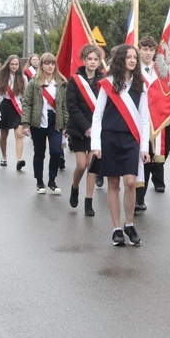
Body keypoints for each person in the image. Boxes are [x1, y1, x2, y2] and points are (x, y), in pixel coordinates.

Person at [91, 44, 150, 247]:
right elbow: (98, 115)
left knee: (131, 183)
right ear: (120, 60)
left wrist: (144, 148)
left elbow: (144, 118)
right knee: (113, 184)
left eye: (135, 57)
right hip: (110, 138)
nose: (133, 60)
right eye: (129, 57)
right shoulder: (107, 84)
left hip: (131, 139)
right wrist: (96, 144)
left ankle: (129, 223)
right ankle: (117, 228)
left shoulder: (140, 86)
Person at [135, 36, 170, 211]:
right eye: (145, 49)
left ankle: (140, 197)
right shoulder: (133, 70)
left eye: (151, 49)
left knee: (150, 159)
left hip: (157, 121)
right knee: (138, 159)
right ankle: (135, 196)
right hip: (138, 120)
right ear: (138, 50)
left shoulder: (161, 72)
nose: (148, 52)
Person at [66, 45, 105, 215]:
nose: (93, 62)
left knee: (92, 165)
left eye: (96, 59)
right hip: (79, 129)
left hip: (97, 129)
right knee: (82, 165)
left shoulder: (104, 80)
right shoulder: (74, 80)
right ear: (84, 60)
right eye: (90, 59)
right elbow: (72, 106)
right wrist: (85, 127)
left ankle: (88, 201)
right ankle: (75, 187)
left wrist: (96, 127)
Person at [21, 53, 68, 194]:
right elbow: (27, 103)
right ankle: (39, 182)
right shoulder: (34, 83)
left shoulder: (61, 82)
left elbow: (64, 105)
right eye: (47, 63)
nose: (50, 66)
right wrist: (25, 124)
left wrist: (66, 124)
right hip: (39, 121)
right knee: (39, 152)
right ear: (42, 65)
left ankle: (52, 180)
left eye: (52, 63)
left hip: (55, 121)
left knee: (55, 151)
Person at [0, 55, 26, 168]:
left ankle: (19, 160)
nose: (14, 66)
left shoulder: (23, 78)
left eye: (16, 64)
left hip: (18, 107)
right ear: (8, 65)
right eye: (12, 64)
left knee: (18, 134)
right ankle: (4, 156)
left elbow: (26, 96)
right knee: (3, 135)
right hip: (5, 107)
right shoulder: (1, 77)